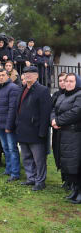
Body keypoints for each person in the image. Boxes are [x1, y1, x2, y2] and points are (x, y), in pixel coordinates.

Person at [15, 66, 52, 191]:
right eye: (25, 73)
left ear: (37, 75)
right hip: (23, 130)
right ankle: (31, 178)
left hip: (36, 131)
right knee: (26, 157)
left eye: (31, 73)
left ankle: (40, 181)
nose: (28, 75)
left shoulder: (43, 90)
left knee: (39, 159)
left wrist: (43, 132)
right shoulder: (23, 89)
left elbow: (46, 113)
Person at [51, 74, 81, 203]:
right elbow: (54, 109)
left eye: (71, 81)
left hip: (75, 134)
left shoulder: (79, 95)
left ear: (77, 83)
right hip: (63, 134)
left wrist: (58, 121)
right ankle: (74, 190)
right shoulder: (62, 96)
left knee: (76, 164)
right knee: (68, 164)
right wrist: (53, 119)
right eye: (67, 81)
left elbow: (76, 112)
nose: (68, 83)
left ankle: (80, 193)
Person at [0, 68, 21, 182]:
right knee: (5, 148)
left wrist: (9, 126)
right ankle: (8, 169)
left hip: (9, 125)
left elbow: (12, 109)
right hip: (0, 123)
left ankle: (15, 173)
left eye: (3, 75)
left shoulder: (13, 88)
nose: (1, 77)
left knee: (12, 148)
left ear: (8, 76)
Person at [51, 72, 67, 187]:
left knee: (67, 155)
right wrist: (53, 120)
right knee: (58, 153)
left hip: (67, 129)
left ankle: (70, 180)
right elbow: (51, 109)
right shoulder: (56, 94)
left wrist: (60, 121)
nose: (62, 83)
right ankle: (64, 178)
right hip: (56, 129)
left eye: (64, 80)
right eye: (60, 80)